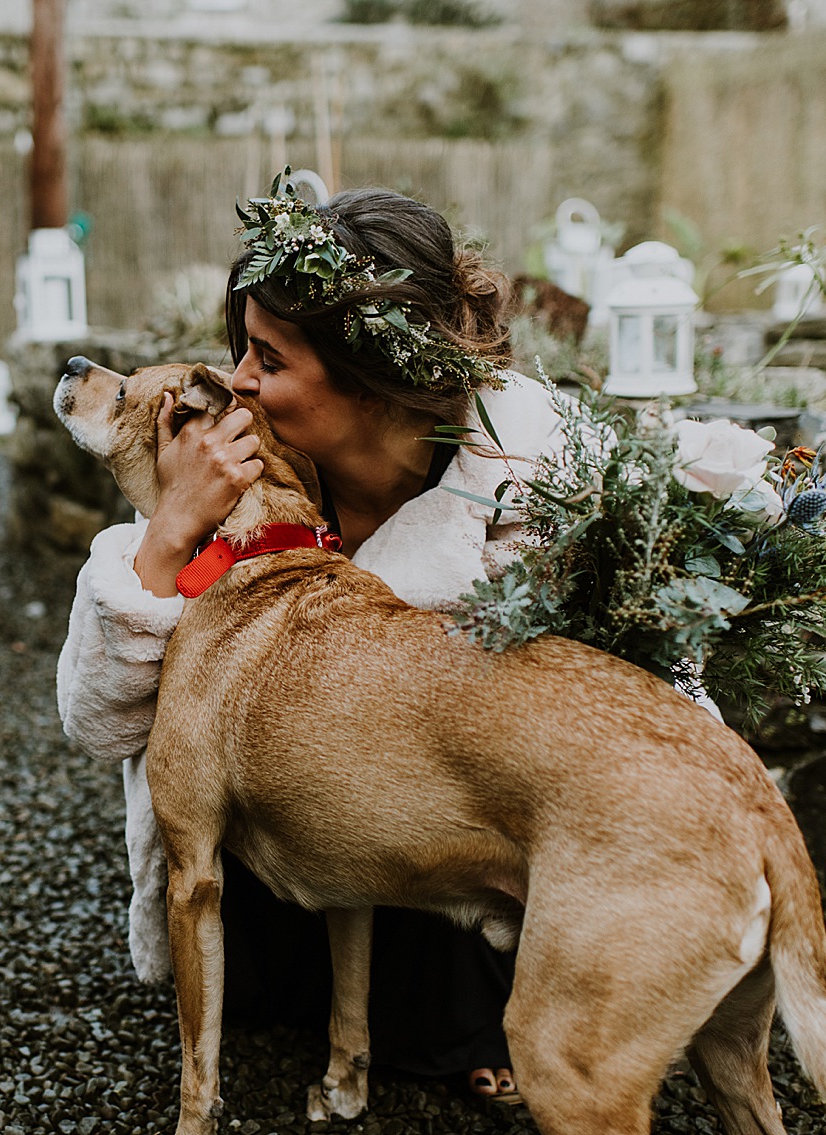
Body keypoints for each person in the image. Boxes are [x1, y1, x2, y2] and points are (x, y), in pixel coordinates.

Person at [57, 183, 569, 1101]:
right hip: (270, 833)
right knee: (257, 969)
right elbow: (98, 720)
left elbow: (589, 712)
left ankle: (464, 1012)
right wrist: (170, 535)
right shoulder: (230, 473)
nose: (239, 378)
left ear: (370, 379)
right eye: (240, 347)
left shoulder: (527, 485)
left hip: (452, 832)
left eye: (269, 357)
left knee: (447, 1000)